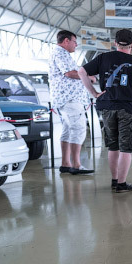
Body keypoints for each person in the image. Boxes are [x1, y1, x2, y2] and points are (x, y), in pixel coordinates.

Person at [78, 29, 132, 193]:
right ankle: (122, 183)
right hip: (127, 108)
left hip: (107, 107)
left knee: (113, 146)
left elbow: (81, 71)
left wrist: (95, 93)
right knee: (126, 147)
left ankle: (114, 180)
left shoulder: (103, 58)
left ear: (115, 43)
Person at [47, 30, 94, 175]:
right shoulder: (61, 53)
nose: (76, 45)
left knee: (68, 130)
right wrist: (89, 77)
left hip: (65, 99)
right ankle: (76, 165)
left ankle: (66, 164)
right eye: (74, 41)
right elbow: (69, 73)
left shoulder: (61, 53)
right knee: (78, 129)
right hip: (69, 99)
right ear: (66, 41)